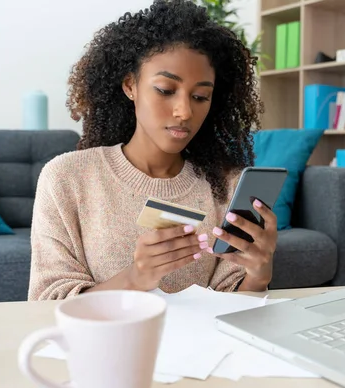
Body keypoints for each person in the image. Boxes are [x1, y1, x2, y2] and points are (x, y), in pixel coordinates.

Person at [27, 0, 275, 300]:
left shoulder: (226, 186)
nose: (184, 111)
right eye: (165, 90)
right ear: (130, 85)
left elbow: (232, 301)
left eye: (200, 96)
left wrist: (258, 277)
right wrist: (135, 278)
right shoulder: (66, 178)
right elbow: (47, 303)